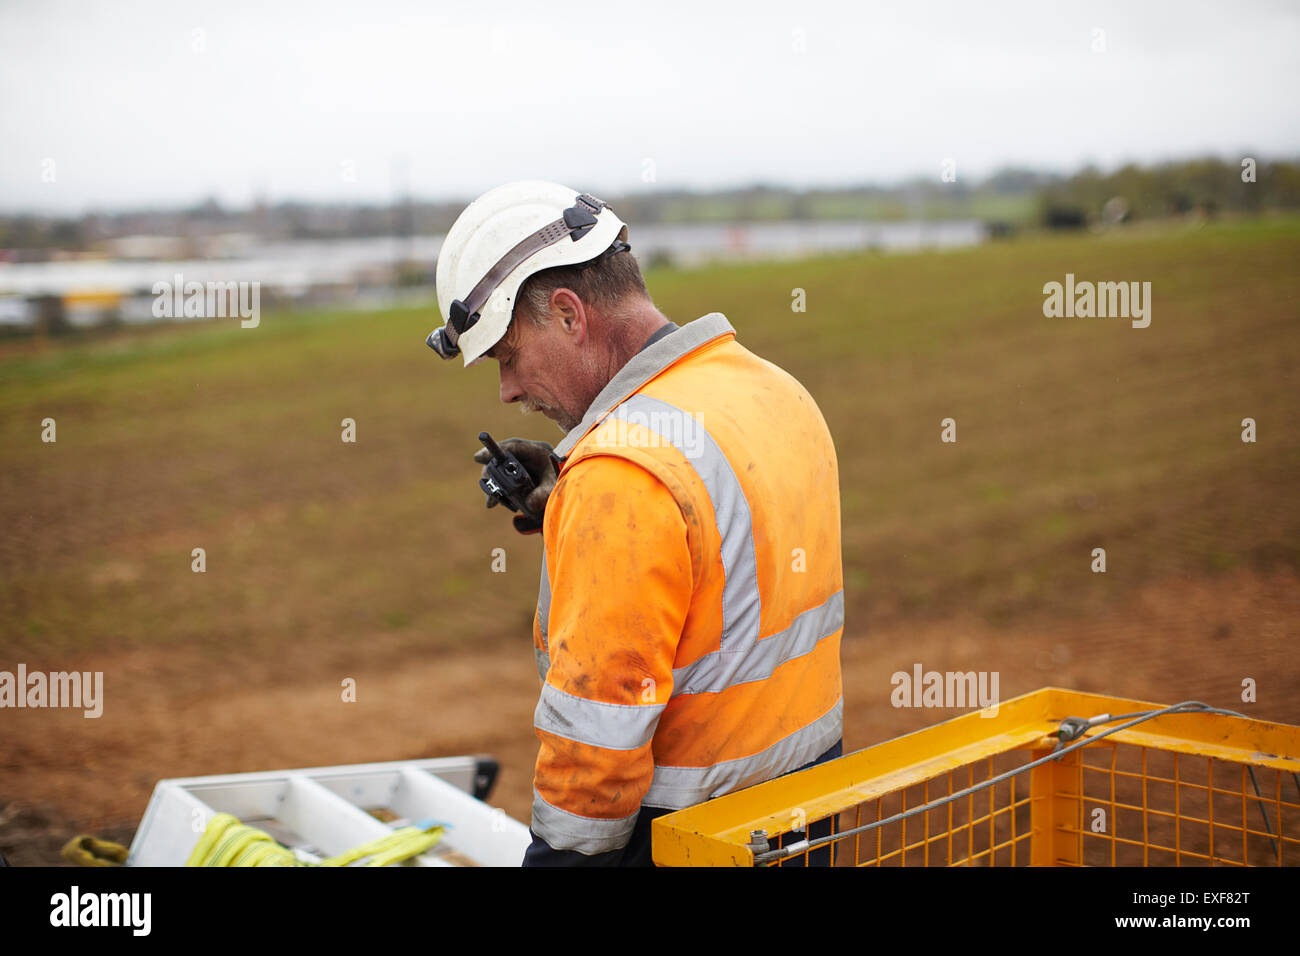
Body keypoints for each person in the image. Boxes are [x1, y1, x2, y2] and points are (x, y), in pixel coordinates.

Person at [427, 181, 845, 866]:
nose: (506, 391)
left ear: (568, 314)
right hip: (810, 811)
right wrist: (572, 493)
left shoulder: (621, 478)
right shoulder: (771, 389)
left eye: (506, 357)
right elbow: (724, 554)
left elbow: (595, 751)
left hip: (688, 839)